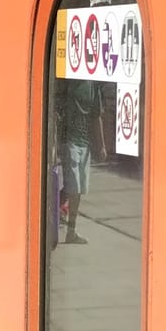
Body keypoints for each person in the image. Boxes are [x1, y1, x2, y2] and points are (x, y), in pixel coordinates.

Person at [55, 72, 104, 244]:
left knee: (76, 188)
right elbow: (56, 108)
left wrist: (101, 145)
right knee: (74, 187)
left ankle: (64, 222)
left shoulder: (93, 86)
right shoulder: (70, 82)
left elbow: (96, 116)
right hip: (70, 141)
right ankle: (66, 224)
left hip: (85, 143)